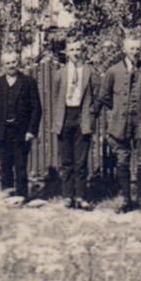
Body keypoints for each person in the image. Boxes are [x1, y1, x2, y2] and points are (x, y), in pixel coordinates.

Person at [97, 33, 141, 212]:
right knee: (122, 159)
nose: (135, 52)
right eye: (131, 48)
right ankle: (126, 199)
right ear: (124, 49)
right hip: (120, 123)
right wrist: (118, 109)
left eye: (137, 48)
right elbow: (104, 96)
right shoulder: (113, 71)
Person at [0, 49, 41, 199]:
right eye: (7, 63)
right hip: (2, 131)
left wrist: (31, 131)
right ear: (3, 65)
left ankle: (21, 196)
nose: (11, 65)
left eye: (13, 62)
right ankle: (7, 195)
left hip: (21, 131)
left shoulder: (28, 82)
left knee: (21, 165)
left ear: (18, 62)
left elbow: (36, 108)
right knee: (5, 165)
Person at [50, 42, 99, 209]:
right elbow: (56, 96)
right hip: (65, 116)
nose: (75, 53)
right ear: (66, 52)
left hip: (82, 116)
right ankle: (67, 196)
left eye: (78, 49)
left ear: (82, 51)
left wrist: (91, 113)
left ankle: (80, 196)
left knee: (81, 160)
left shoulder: (89, 71)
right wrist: (59, 117)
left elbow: (97, 95)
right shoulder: (60, 73)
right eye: (72, 50)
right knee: (66, 159)